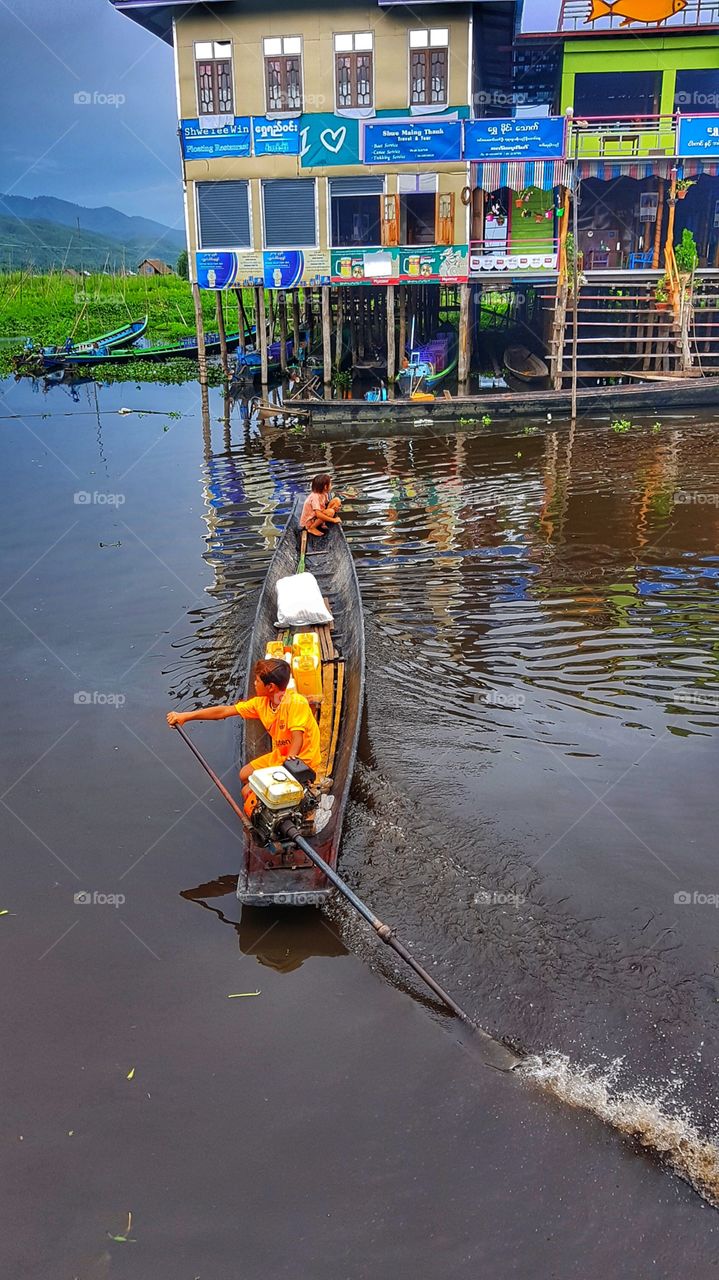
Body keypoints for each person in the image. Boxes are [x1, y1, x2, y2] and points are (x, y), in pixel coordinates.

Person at [166, 658, 321, 798]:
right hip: (281, 755)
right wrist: (185, 716)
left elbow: (297, 738)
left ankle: (299, 791)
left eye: (257, 681)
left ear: (271, 687)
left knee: (247, 792)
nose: (254, 683)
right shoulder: (261, 703)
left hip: (302, 761)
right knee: (244, 775)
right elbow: (224, 711)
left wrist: (288, 769)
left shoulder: (295, 702)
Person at [300, 473, 342, 538]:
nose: (331, 485)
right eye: (330, 484)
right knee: (331, 512)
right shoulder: (315, 497)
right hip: (310, 521)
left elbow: (326, 504)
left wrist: (336, 508)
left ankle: (322, 522)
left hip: (317, 515)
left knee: (337, 500)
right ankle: (312, 528)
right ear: (325, 487)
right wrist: (333, 520)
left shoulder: (324, 493)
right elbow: (318, 514)